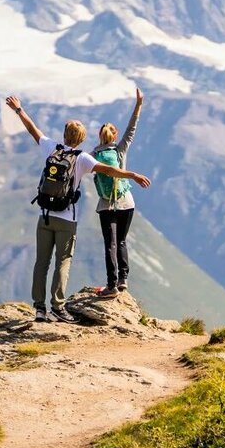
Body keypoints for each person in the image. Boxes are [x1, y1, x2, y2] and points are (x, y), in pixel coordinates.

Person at [5, 95, 151, 324]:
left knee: (41, 263)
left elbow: (33, 130)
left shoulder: (51, 148)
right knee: (63, 262)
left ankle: (39, 309)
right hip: (66, 219)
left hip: (45, 216)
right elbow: (109, 170)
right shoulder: (83, 158)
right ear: (82, 139)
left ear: (64, 135)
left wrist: (19, 109)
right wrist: (132, 174)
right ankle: (58, 307)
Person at [92, 88, 144, 299]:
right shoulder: (120, 149)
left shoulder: (93, 156)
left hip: (106, 205)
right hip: (126, 203)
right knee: (121, 241)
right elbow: (131, 129)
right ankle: (123, 280)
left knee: (110, 244)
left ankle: (111, 285)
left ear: (100, 136)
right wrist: (138, 104)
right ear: (114, 135)